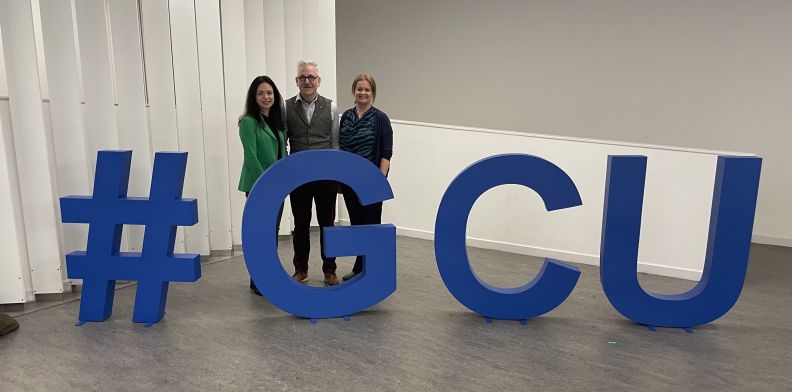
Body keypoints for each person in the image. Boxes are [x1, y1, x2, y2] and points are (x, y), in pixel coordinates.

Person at [285, 60, 341, 286]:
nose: (307, 81)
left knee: (327, 224)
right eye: (302, 77)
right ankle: (301, 269)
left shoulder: (331, 107)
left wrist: (335, 175)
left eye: (311, 77)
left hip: (326, 177)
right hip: (298, 177)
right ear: (296, 81)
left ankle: (330, 270)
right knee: (301, 224)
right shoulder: (286, 107)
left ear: (319, 81)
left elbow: (335, 143)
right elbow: (284, 142)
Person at [339, 73, 393, 281]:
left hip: (371, 183)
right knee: (357, 225)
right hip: (349, 183)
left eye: (367, 90)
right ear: (354, 92)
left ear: (373, 93)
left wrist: (380, 180)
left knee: (371, 226)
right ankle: (360, 267)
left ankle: (373, 270)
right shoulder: (346, 116)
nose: (362, 93)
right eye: (359, 89)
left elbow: (386, 154)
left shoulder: (380, 119)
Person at [238, 76, 287, 296]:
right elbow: (251, 156)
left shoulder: (278, 121)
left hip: (277, 185)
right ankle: (257, 279)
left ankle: (267, 276)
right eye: (260, 93)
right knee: (260, 233)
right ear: (253, 97)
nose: (266, 97)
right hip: (260, 186)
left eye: (269, 93)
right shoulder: (248, 121)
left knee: (272, 232)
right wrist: (265, 184)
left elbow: (282, 154)